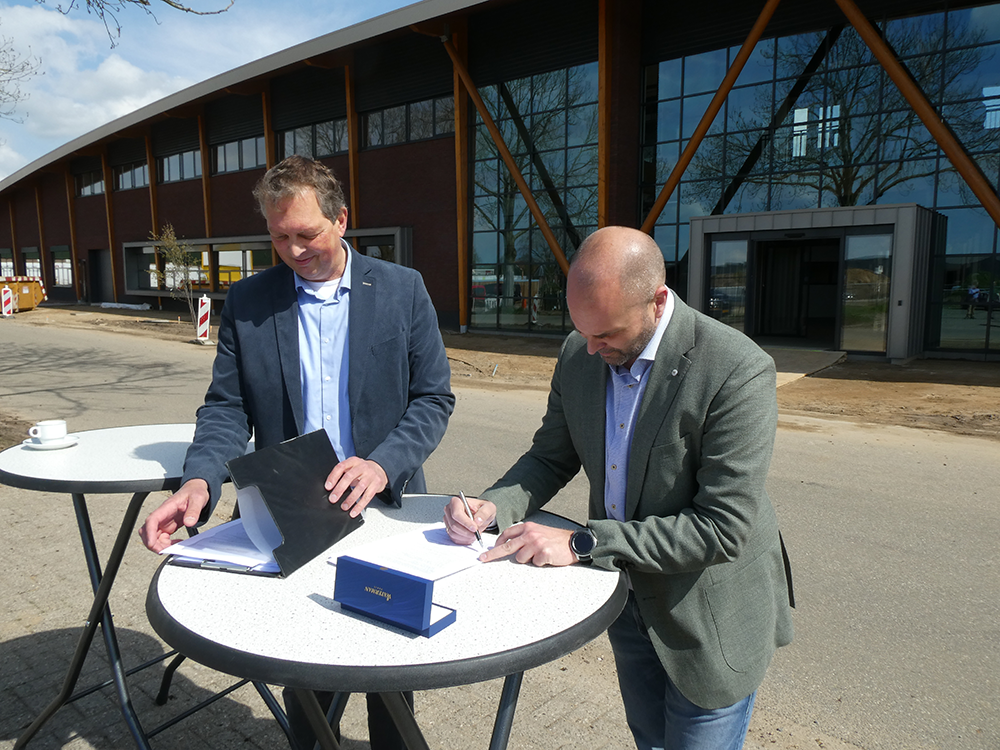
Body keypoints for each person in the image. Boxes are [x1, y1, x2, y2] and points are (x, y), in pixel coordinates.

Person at [140, 155, 455, 750]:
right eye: (278, 237)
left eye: (306, 234)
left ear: (341, 219)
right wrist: (199, 482)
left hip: (383, 506)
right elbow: (226, 409)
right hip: (292, 511)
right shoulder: (250, 301)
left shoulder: (401, 290)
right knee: (305, 674)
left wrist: (382, 461)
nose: (293, 250)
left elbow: (433, 399)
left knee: (389, 665)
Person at [444, 226, 793, 750]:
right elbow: (549, 456)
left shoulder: (736, 370)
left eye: (605, 333)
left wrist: (584, 543)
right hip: (625, 600)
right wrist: (494, 505)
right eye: (582, 330)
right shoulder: (580, 352)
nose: (591, 347)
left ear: (657, 301)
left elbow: (721, 529)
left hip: (708, 612)